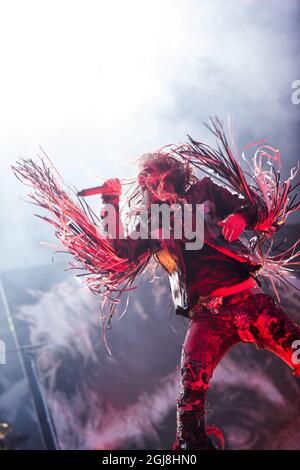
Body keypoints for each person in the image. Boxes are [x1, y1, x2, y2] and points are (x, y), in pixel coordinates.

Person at [13, 119, 300, 450]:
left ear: (175, 175)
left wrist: (240, 217)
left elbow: (249, 207)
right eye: (148, 178)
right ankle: (191, 449)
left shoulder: (205, 191)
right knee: (190, 394)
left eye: (160, 175)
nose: (156, 183)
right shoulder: (151, 221)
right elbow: (120, 251)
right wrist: (110, 202)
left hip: (249, 302)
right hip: (208, 318)